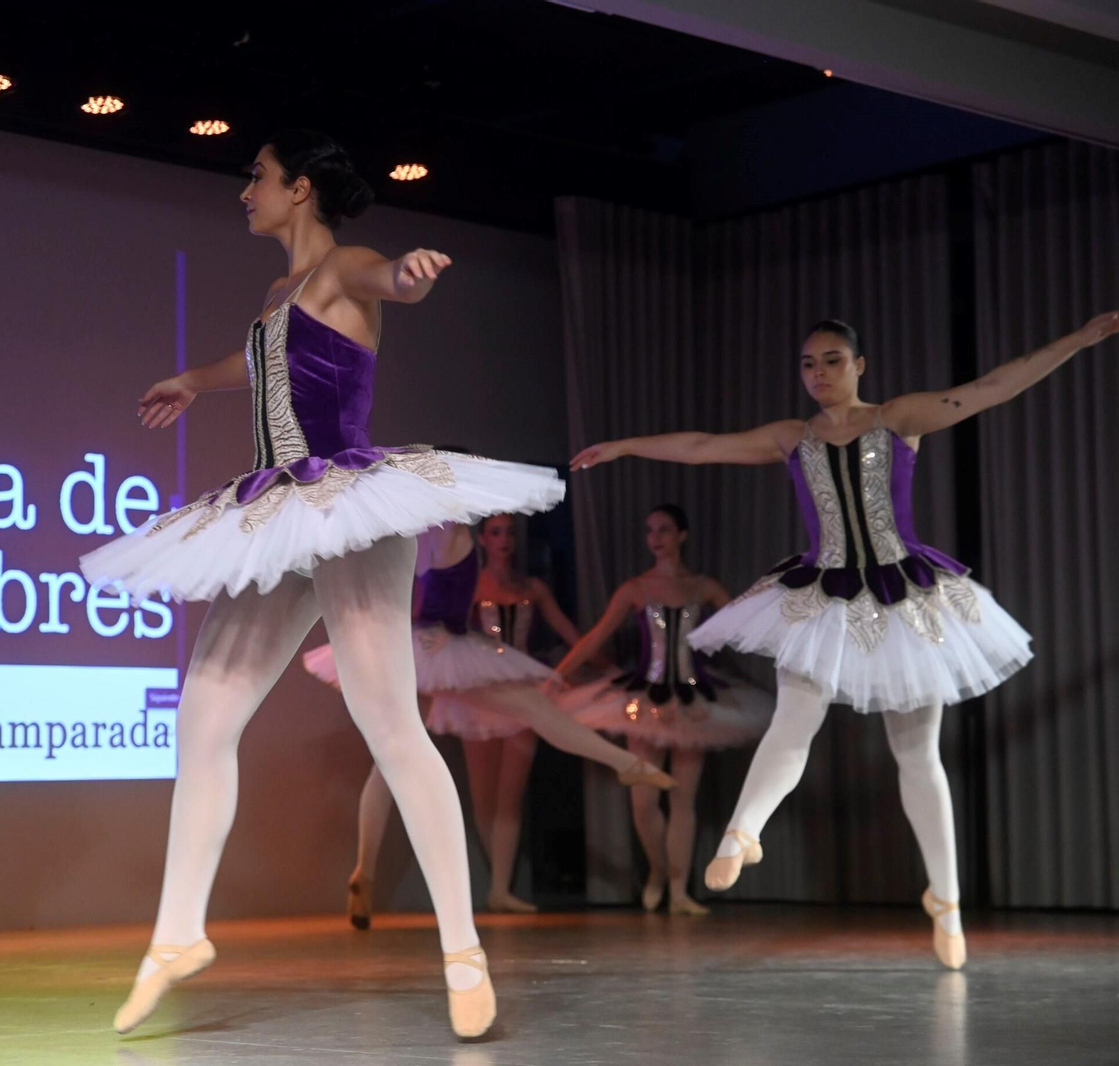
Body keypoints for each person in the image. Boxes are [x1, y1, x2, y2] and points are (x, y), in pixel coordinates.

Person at [81, 130, 566, 1038]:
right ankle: (179, 933)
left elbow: (391, 281)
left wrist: (410, 275)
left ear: (299, 189)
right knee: (204, 712)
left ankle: (463, 949)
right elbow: (262, 364)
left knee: (389, 722)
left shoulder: (345, 263)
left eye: (255, 178)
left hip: (344, 499)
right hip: (275, 507)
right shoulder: (276, 294)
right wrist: (194, 380)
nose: (244, 193)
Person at [570, 309, 1119, 968]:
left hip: (904, 593)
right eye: (809, 363)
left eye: (833, 360)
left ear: (859, 365)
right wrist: (624, 446)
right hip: (822, 595)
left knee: (917, 753)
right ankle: (740, 834)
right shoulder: (792, 437)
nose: (819, 374)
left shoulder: (899, 418)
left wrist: (1078, 338)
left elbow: (993, 387)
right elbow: (702, 444)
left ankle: (947, 903)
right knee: (793, 721)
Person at [308, 520, 674, 928]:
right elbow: (428, 593)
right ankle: (626, 764)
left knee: (389, 761)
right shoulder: (453, 533)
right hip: (442, 649)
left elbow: (413, 588)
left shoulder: (422, 534)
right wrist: (436, 625)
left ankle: (365, 870)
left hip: (423, 647)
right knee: (537, 710)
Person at [551, 504, 770, 915]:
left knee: (684, 801)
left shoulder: (704, 586)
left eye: (664, 530)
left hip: (694, 703)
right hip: (644, 700)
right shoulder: (635, 588)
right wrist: (558, 674)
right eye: (650, 530)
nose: (655, 538)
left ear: (681, 535)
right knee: (644, 801)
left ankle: (679, 890)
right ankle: (656, 870)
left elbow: (743, 624)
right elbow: (597, 635)